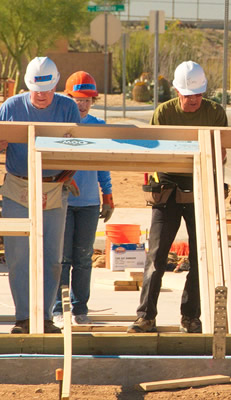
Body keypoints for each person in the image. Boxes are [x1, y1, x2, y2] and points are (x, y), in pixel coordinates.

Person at [127, 61, 228, 333]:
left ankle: (190, 316)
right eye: (188, 95)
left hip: (201, 183)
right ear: (176, 91)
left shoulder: (215, 112)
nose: (193, 100)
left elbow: (221, 153)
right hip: (168, 186)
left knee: (200, 257)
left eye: (198, 95)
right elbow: (157, 153)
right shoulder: (164, 112)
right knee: (157, 257)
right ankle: (145, 316)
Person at [0, 57, 81, 333]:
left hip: (54, 187)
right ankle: (24, 317)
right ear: (28, 87)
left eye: (47, 91)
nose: (42, 96)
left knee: (52, 257)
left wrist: (70, 170)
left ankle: (45, 317)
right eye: (37, 91)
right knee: (18, 255)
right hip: (17, 186)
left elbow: (78, 146)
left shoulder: (68, 107)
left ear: (55, 85)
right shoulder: (10, 107)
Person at [52, 71, 114, 328]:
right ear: (68, 98)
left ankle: (80, 308)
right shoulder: (59, 125)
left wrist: (107, 194)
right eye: (78, 99)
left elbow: (103, 164)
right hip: (63, 201)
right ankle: (58, 307)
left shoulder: (97, 127)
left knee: (83, 258)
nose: (83, 104)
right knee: (61, 257)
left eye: (88, 99)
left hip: (88, 203)